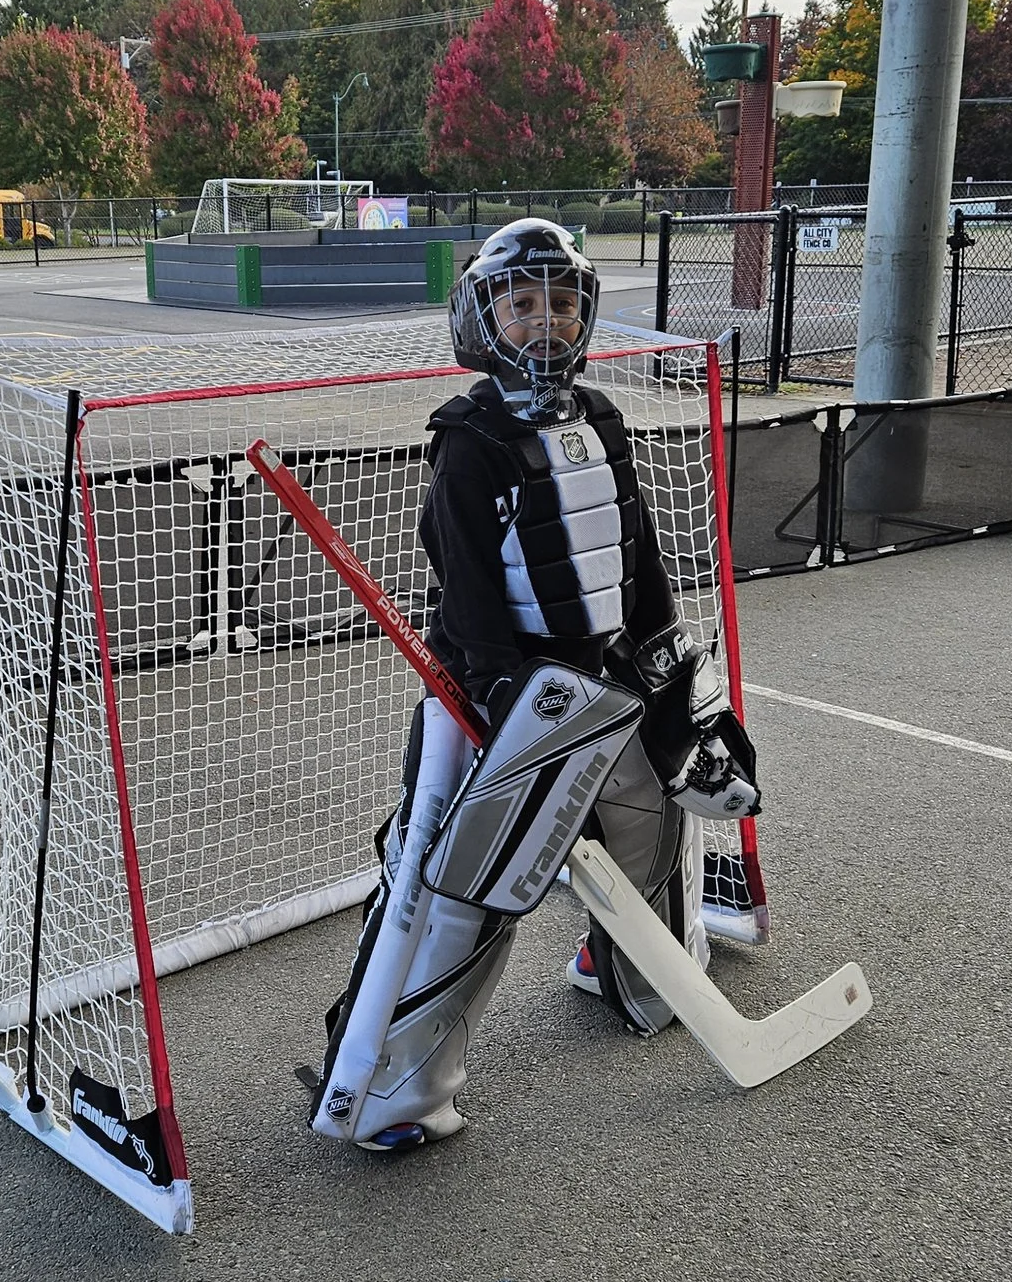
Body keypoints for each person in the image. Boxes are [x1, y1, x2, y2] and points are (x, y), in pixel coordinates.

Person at [309, 219, 763, 1152]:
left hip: (605, 681)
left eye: (562, 302)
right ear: (484, 316)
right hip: (493, 702)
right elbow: (471, 592)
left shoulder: (599, 417)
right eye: (522, 304)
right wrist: (502, 697)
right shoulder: (469, 439)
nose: (545, 322)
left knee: (651, 825)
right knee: (462, 884)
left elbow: (636, 560)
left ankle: (637, 975)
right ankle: (392, 1085)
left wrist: (678, 684)